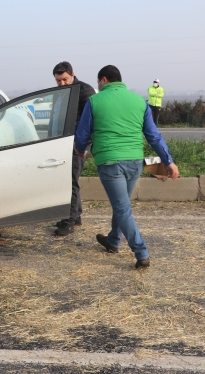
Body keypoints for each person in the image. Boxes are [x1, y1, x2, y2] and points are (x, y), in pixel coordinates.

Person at [74, 65, 179, 269]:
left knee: (122, 208)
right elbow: (154, 136)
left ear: (104, 80)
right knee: (121, 204)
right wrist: (168, 161)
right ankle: (113, 240)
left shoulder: (95, 101)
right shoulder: (139, 101)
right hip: (134, 162)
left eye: (98, 82)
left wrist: (80, 150)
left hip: (110, 162)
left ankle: (142, 253)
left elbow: (82, 135)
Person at [51, 61, 96, 236]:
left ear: (72, 74)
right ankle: (75, 216)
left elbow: (91, 121)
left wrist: (81, 144)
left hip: (78, 144)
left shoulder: (84, 91)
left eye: (65, 79)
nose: (62, 83)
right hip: (63, 142)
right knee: (69, 179)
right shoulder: (61, 93)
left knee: (71, 181)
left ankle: (69, 220)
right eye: (58, 81)